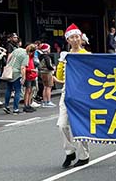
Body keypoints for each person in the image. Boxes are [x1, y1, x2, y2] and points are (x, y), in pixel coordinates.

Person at [56, 24, 90, 168]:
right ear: (68, 40)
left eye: (77, 37)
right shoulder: (65, 56)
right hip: (67, 92)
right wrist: (61, 64)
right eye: (72, 37)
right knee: (62, 125)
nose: (75, 40)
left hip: (82, 94)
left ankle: (84, 155)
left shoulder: (87, 56)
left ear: (81, 38)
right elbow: (59, 77)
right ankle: (70, 152)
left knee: (79, 125)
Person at [3, 41, 29, 115]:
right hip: (17, 73)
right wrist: (23, 78)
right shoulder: (26, 55)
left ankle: (6, 106)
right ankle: (15, 109)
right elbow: (23, 67)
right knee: (17, 91)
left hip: (10, 71)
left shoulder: (17, 49)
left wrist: (8, 65)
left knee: (9, 89)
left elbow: (10, 56)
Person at [38, 43, 56, 107]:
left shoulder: (41, 56)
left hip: (42, 73)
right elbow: (49, 66)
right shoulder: (47, 57)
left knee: (45, 87)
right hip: (48, 73)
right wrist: (53, 68)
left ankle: (44, 101)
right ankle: (48, 101)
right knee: (49, 87)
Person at [23, 44, 39, 113]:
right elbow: (24, 67)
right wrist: (31, 70)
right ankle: (26, 105)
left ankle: (29, 104)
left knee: (31, 91)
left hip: (32, 75)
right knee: (28, 90)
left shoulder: (31, 58)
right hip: (28, 75)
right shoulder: (26, 57)